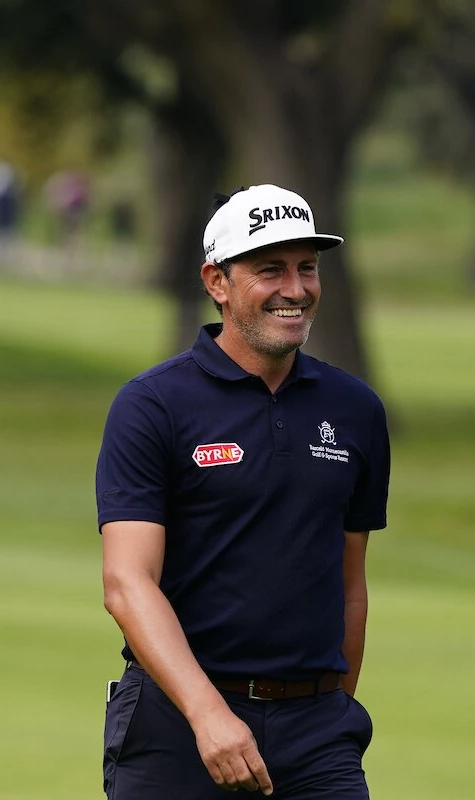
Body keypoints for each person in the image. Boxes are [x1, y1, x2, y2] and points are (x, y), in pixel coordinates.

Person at [95, 184, 391, 799]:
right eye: (270, 270)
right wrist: (208, 714)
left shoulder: (355, 408)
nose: (296, 289)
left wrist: (335, 713)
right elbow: (127, 584)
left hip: (316, 734)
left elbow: (350, 586)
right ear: (217, 282)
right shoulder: (153, 405)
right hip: (177, 723)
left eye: (307, 268)